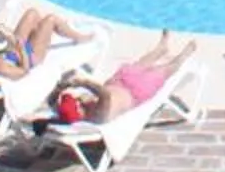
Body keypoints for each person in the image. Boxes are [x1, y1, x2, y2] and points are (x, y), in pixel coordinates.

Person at [49, 33, 201, 125]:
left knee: (140, 64)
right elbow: (105, 95)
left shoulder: (78, 112)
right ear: (80, 114)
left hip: (119, 81)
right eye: (78, 105)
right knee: (164, 70)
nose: (79, 102)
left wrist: (61, 87)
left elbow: (51, 102)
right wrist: (82, 83)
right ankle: (184, 56)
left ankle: (160, 49)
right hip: (136, 92)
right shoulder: (98, 116)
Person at [0, 7, 89, 77]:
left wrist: (6, 37)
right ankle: (78, 37)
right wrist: (22, 50)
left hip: (14, 49)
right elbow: (25, 71)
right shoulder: (1, 68)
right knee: (51, 19)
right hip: (30, 58)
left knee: (32, 13)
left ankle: (41, 32)